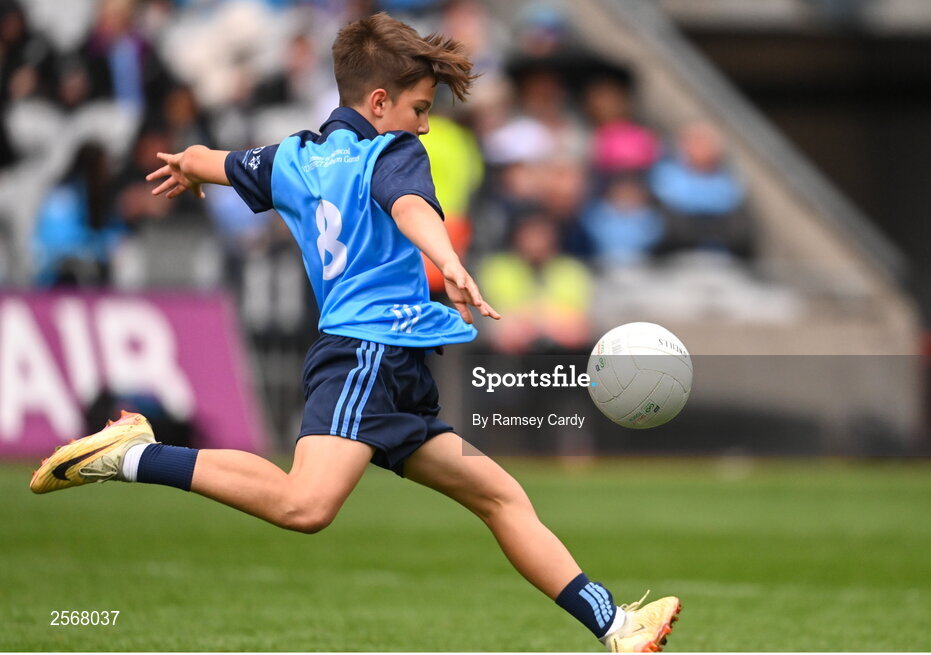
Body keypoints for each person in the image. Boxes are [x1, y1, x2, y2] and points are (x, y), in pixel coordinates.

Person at [29, 13, 679, 652]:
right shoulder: (391, 149)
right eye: (420, 108)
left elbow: (218, 159)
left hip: (393, 370)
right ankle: (133, 452)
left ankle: (616, 625)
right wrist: (447, 260)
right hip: (365, 353)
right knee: (304, 505)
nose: (425, 124)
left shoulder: (293, 157)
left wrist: (188, 165)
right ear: (378, 102)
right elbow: (410, 205)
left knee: (501, 496)